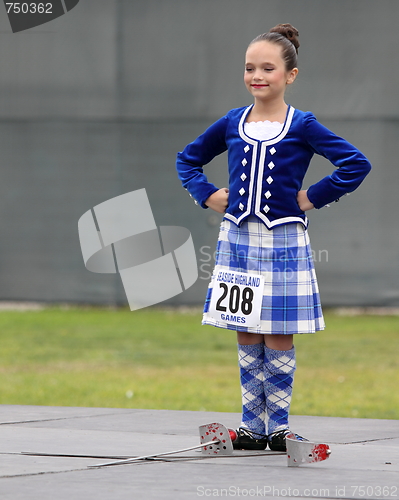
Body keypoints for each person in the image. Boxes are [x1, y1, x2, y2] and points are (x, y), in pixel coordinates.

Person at [176, 24, 371, 452]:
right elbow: (187, 160)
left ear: (290, 75)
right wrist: (207, 194)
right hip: (237, 240)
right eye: (249, 68)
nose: (256, 76)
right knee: (245, 330)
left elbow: (356, 164)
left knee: (279, 332)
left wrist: (311, 198)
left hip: (284, 243)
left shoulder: (303, 125)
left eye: (267, 68)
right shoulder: (232, 122)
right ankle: (251, 427)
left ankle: (279, 427)